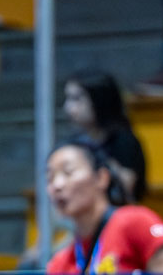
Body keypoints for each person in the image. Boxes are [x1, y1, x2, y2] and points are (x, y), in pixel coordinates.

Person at [42, 141, 163, 275]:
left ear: (101, 177)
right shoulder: (60, 265)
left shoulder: (136, 222)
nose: (57, 185)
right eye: (50, 178)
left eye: (68, 172)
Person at [63, 69, 148, 202]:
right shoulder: (72, 143)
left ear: (99, 100)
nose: (67, 108)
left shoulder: (124, 141)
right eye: (68, 99)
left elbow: (125, 190)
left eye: (76, 99)